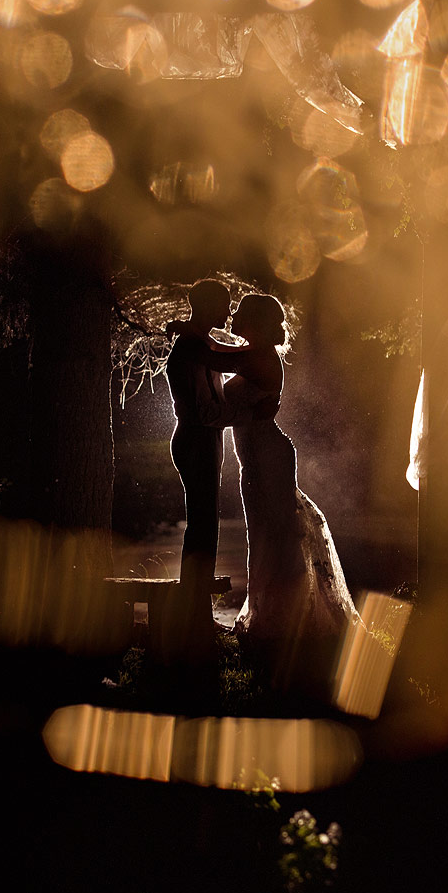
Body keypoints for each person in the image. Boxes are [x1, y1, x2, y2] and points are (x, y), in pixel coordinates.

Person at [170, 292, 363, 698]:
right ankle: (276, 622)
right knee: (266, 538)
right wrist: (191, 332)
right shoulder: (251, 352)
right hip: (256, 460)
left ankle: (285, 626)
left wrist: (188, 332)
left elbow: (210, 356)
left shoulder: (254, 358)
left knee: (275, 537)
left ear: (254, 322)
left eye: (239, 314)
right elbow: (216, 350)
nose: (232, 318)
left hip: (267, 457)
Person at [164, 280, 277, 666]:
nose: (228, 315)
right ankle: (193, 618)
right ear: (209, 307)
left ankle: (196, 615)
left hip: (206, 440)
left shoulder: (202, 345)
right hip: (197, 439)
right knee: (201, 527)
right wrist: (250, 414)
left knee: (205, 525)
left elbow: (227, 357)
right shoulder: (189, 352)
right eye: (224, 307)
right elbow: (205, 412)